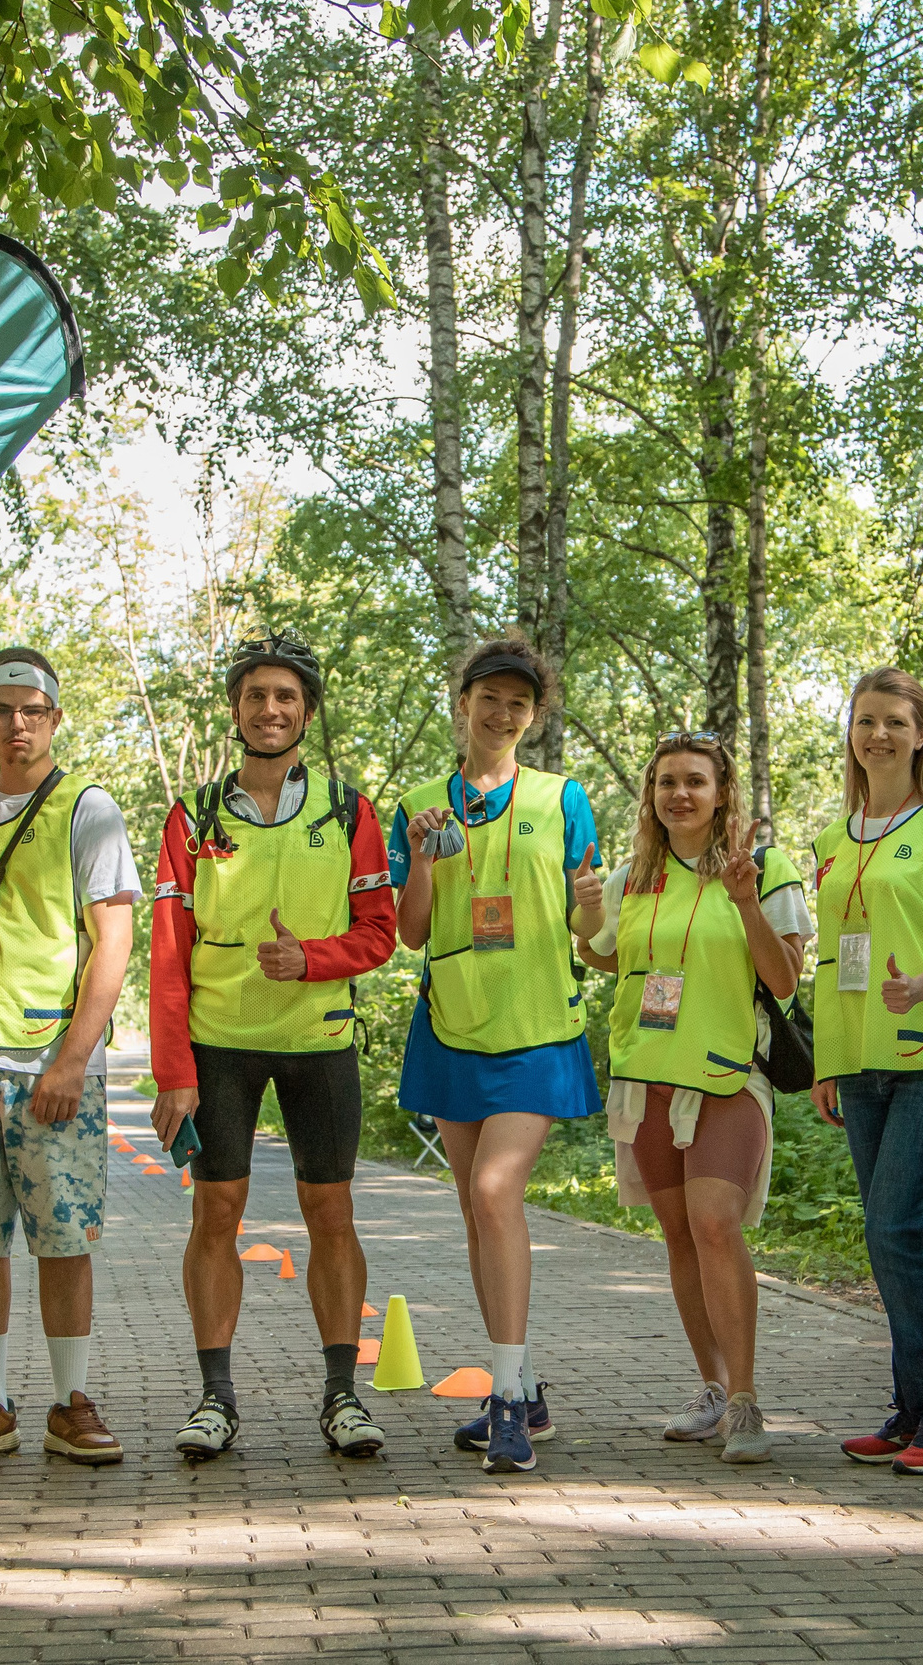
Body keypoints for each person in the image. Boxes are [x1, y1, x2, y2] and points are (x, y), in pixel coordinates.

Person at [149, 632, 397, 1460]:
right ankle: (216, 1397)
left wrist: (312, 959)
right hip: (219, 1044)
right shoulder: (195, 813)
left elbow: (381, 931)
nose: (270, 709)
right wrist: (173, 1072)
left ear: (308, 712)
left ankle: (342, 1395)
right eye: (256, 695)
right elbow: (167, 955)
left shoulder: (347, 809)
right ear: (236, 709)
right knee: (215, 1212)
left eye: (286, 697)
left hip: (318, 1041)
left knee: (332, 1212)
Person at [0, 648, 142, 1467]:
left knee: (64, 1237)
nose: (19, 723)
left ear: (55, 717)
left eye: (34, 710)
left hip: (49, 1060)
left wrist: (74, 1057)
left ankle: (70, 1400)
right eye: (3, 709)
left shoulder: (89, 809)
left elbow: (114, 939)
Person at [390, 635, 605, 1475]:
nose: (503, 712)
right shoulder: (419, 802)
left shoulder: (562, 798)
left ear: (535, 713)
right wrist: (424, 856)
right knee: (475, 1210)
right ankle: (518, 1385)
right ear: (464, 701)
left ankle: (510, 1396)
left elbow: (590, 934)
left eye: (520, 701)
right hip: (452, 1021)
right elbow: (410, 930)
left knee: (493, 1188)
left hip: (538, 1028)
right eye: (490, 697)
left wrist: (590, 906)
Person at [580, 733, 803, 1465]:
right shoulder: (630, 875)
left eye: (695, 782)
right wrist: (585, 917)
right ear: (651, 794)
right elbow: (606, 955)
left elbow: (785, 979)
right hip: (647, 1072)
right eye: (666, 781)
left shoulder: (765, 869)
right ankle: (709, 1387)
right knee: (678, 1234)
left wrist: (745, 904)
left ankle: (744, 1399)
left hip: (728, 1073)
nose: (679, 793)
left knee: (715, 1223)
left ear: (721, 792)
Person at [809, 667, 923, 1475]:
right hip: (860, 1057)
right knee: (886, 1237)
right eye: (865, 720)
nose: (878, 733)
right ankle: (913, 1408)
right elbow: (827, 960)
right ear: (850, 733)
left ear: (921, 733)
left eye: (894, 721)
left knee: (897, 1227)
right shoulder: (831, 839)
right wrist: (825, 1057)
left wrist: (922, 982)